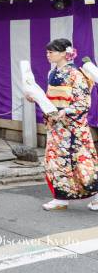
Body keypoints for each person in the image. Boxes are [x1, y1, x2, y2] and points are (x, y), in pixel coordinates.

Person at [31, 38, 98, 211]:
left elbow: (83, 102)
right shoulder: (52, 73)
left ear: (63, 53)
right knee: (55, 160)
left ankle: (97, 196)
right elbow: (49, 97)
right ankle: (61, 198)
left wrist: (65, 111)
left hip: (73, 127)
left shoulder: (77, 73)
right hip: (57, 125)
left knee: (82, 161)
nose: (48, 54)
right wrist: (35, 98)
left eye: (51, 52)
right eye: (47, 52)